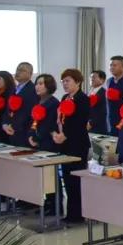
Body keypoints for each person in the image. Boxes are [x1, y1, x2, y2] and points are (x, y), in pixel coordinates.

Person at [51, 69, 91, 223]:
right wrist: (58, 133)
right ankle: (71, 213)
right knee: (67, 179)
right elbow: (61, 120)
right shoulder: (64, 98)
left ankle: (78, 214)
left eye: (68, 81)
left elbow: (80, 123)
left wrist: (65, 135)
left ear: (78, 82)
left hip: (77, 144)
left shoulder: (83, 99)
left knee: (76, 179)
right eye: (63, 81)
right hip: (65, 144)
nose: (65, 84)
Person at [3, 62, 39, 147]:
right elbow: (8, 110)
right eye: (17, 69)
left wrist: (15, 126)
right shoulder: (14, 90)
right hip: (12, 134)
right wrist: (5, 124)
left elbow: (31, 113)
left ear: (30, 74)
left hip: (25, 134)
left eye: (22, 70)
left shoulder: (33, 90)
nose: (18, 72)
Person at [28, 74, 60, 152]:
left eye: (40, 84)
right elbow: (34, 121)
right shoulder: (37, 102)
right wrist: (31, 135)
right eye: (36, 84)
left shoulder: (54, 103)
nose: (37, 86)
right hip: (37, 142)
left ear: (49, 86)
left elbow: (49, 125)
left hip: (49, 143)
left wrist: (36, 138)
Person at [104, 56, 123, 134]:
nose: (111, 67)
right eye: (110, 65)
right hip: (110, 121)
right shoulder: (109, 81)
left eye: (114, 65)